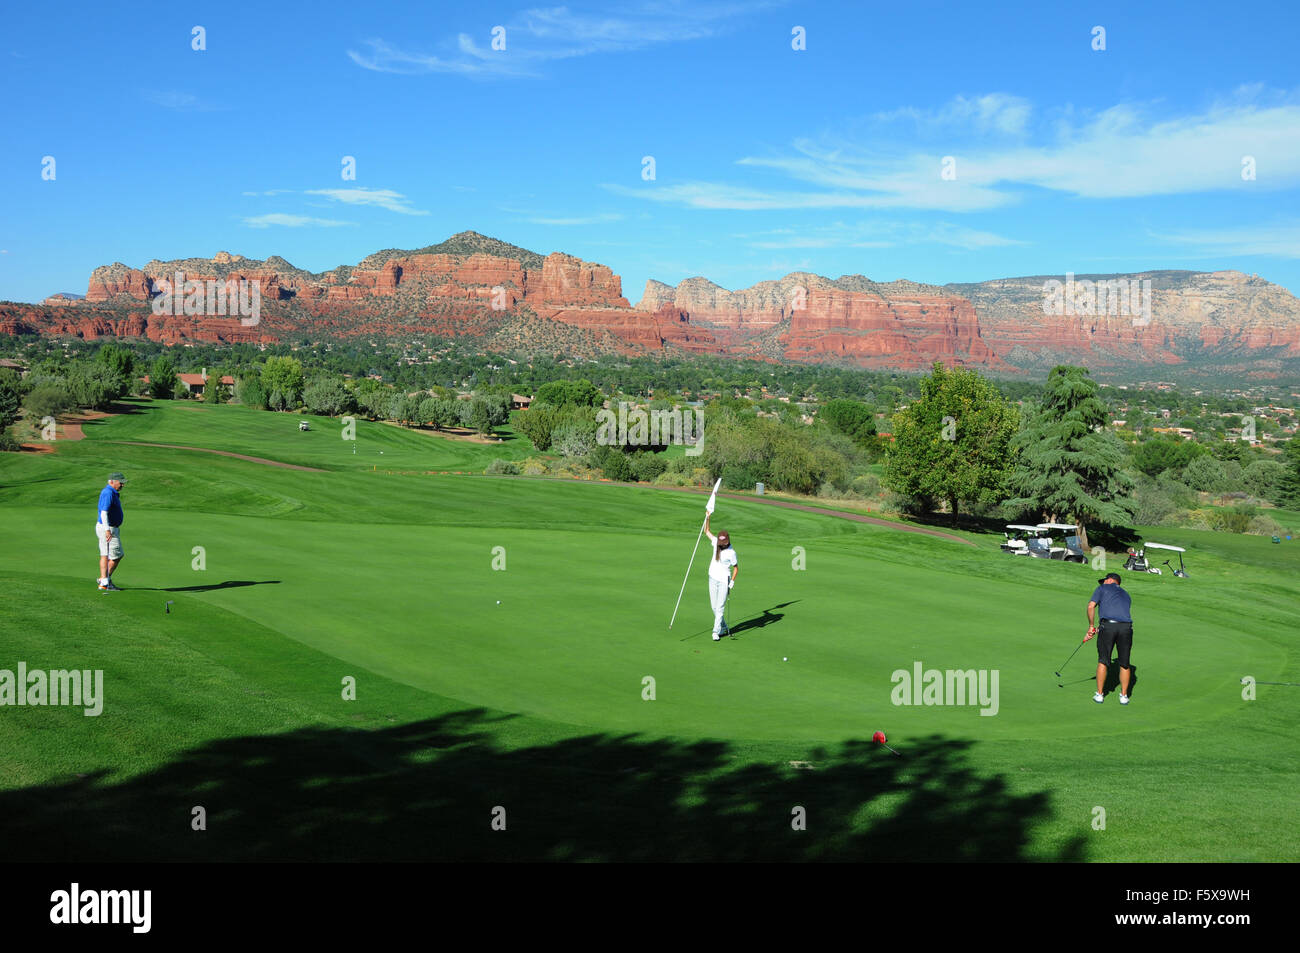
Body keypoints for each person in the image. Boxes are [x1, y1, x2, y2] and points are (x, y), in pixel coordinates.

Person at [1084, 571, 1133, 704]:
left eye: (1104, 580)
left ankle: (1100, 694)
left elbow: (1091, 606)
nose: (1103, 583)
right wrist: (1101, 627)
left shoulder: (1102, 588)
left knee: (1103, 661)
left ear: (1110, 580)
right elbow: (1118, 614)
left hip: (1108, 627)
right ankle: (1124, 696)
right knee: (1124, 663)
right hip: (1126, 628)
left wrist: (1091, 626)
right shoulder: (1126, 595)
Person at [703, 511, 738, 641]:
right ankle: (723, 626)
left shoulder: (731, 552)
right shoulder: (716, 542)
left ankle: (715, 631)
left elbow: (736, 568)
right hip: (712, 577)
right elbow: (706, 531)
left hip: (724, 581)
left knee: (720, 607)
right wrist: (708, 517)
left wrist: (732, 581)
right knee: (714, 607)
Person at [96, 472, 126, 591]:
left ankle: (104, 580)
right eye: (121, 483)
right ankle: (105, 581)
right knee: (117, 555)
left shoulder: (111, 492)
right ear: (112, 482)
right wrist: (108, 530)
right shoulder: (108, 492)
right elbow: (104, 512)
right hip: (108, 528)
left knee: (105, 554)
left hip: (106, 527)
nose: (122, 485)